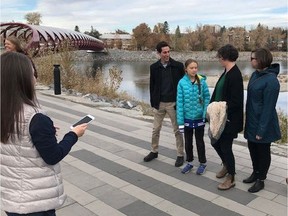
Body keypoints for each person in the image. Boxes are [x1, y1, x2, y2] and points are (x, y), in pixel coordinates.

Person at [0, 52, 88, 216]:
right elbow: (53, 156)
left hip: (12, 199)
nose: (35, 78)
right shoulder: (36, 118)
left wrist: (44, 132)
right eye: (33, 73)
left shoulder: (5, 109)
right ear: (23, 79)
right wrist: (74, 134)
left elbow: (18, 140)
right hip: (36, 203)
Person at [243, 48, 281, 193]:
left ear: (260, 60)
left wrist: (261, 130)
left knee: (263, 151)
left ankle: (261, 179)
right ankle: (255, 172)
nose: (250, 60)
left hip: (263, 123)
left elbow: (268, 108)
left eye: (252, 58)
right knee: (252, 148)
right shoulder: (255, 75)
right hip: (252, 120)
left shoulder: (271, 81)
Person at [144, 41, 185, 167]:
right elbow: (152, 86)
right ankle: (154, 151)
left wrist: (181, 102)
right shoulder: (154, 67)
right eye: (164, 52)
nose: (167, 54)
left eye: (168, 51)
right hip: (159, 103)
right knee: (155, 129)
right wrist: (153, 102)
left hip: (173, 103)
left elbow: (183, 85)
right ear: (159, 53)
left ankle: (180, 154)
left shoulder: (178, 66)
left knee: (177, 130)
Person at [210, 44, 244, 190]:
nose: (218, 59)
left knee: (225, 146)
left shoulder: (235, 75)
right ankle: (226, 164)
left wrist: (219, 108)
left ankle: (231, 177)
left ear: (224, 57)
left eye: (219, 57)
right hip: (219, 118)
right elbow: (218, 92)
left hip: (229, 119)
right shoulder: (226, 72)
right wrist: (211, 107)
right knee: (215, 142)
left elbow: (236, 102)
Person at [176, 59, 210, 174]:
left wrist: (204, 114)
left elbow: (206, 99)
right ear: (186, 69)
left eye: (196, 67)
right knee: (188, 142)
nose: (194, 70)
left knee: (200, 141)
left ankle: (203, 163)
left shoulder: (202, 82)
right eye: (191, 68)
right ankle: (189, 162)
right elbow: (179, 103)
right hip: (187, 119)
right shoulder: (181, 83)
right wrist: (180, 121)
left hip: (199, 118)